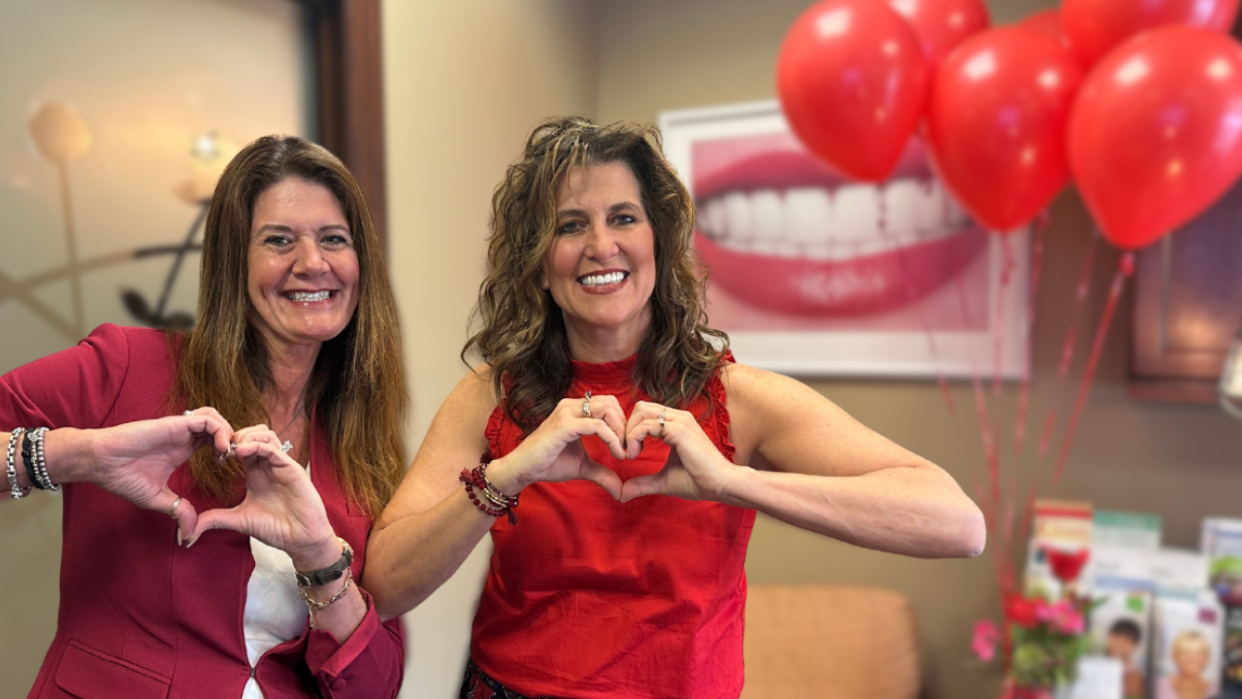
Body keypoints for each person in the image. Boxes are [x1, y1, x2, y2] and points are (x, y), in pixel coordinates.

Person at [366, 117, 986, 699]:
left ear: (659, 245)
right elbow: (384, 587)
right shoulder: (491, 396)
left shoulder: (739, 400)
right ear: (538, 266)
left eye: (624, 218)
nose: (600, 245)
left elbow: (956, 524)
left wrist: (732, 482)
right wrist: (507, 476)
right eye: (570, 225)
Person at [1, 135, 406, 699]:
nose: (313, 263)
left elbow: (374, 687)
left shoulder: (362, 449)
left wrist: (319, 560)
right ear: (233, 263)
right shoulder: (129, 365)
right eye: (279, 240)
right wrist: (81, 455)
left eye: (333, 239)